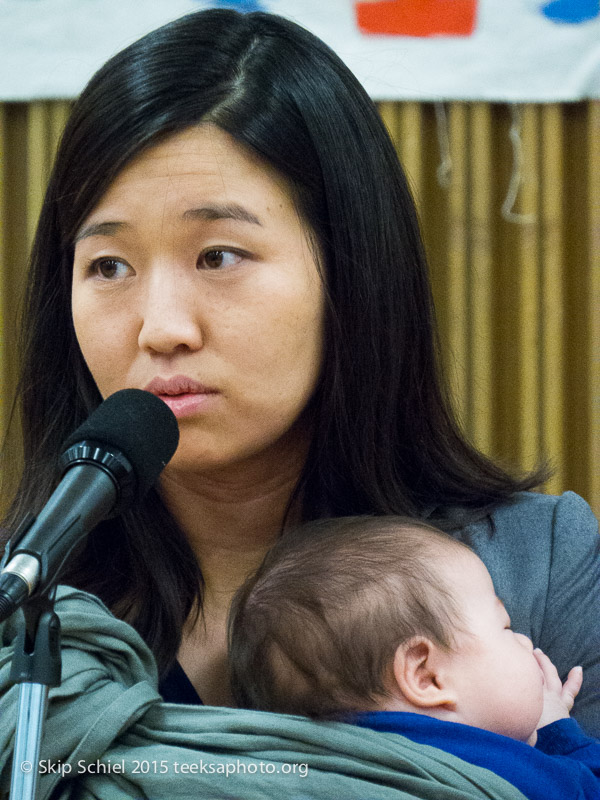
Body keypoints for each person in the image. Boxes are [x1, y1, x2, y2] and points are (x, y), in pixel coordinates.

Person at [0, 4, 598, 737]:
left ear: (349, 271)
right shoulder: (24, 601)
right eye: (109, 265)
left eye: (218, 256)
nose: (160, 328)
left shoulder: (539, 571)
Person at [228, 516, 600, 799]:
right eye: (505, 628)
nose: (524, 641)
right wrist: (556, 730)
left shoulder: (297, 767)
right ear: (426, 676)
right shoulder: (502, 766)